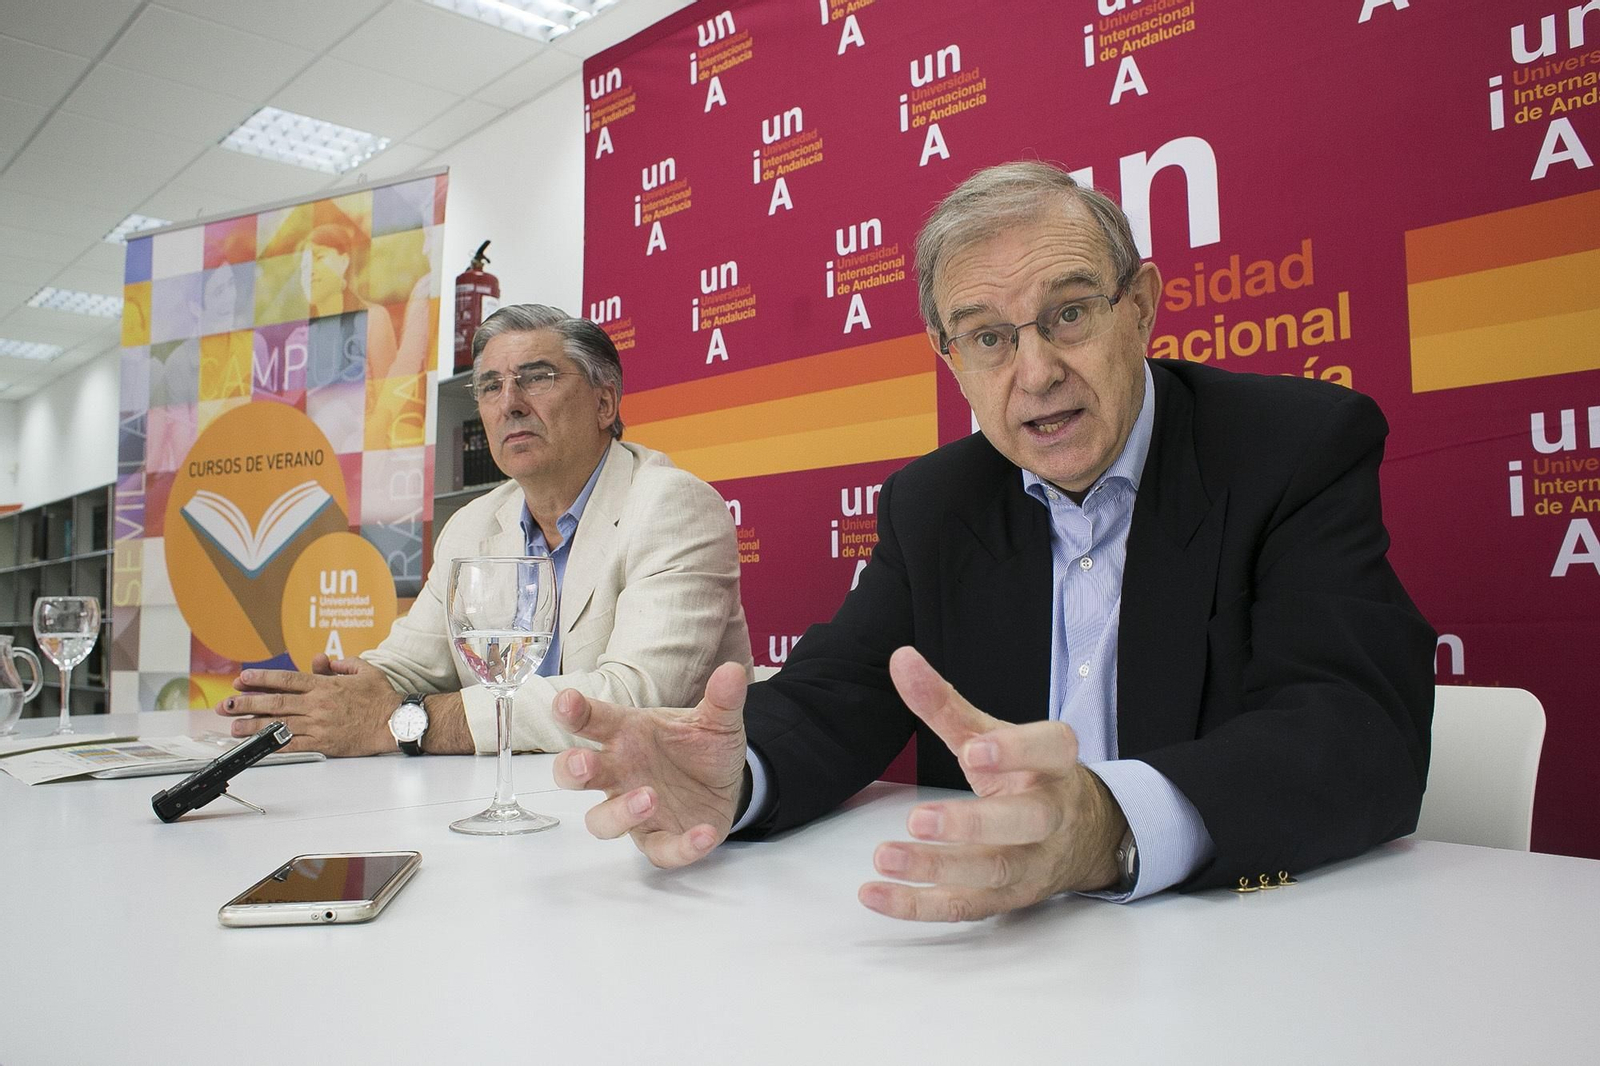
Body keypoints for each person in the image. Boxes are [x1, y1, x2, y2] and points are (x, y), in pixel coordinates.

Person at [548, 162, 1435, 922]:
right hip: (999, 970)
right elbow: (842, 693)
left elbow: (1357, 729)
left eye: (1071, 314)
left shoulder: (1294, 446)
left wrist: (1106, 824)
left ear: (1143, 309)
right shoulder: (932, 504)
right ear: (952, 358)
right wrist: (735, 775)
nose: (1037, 371)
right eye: (989, 337)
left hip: (1245, 946)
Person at [216, 303, 752, 755]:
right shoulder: (471, 525)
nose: (510, 403)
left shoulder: (671, 506)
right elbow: (410, 665)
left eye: (537, 377)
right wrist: (337, 699)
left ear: (604, 402)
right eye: (491, 386)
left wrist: (406, 724)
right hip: (503, 797)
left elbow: (636, 697)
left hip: (652, 806)